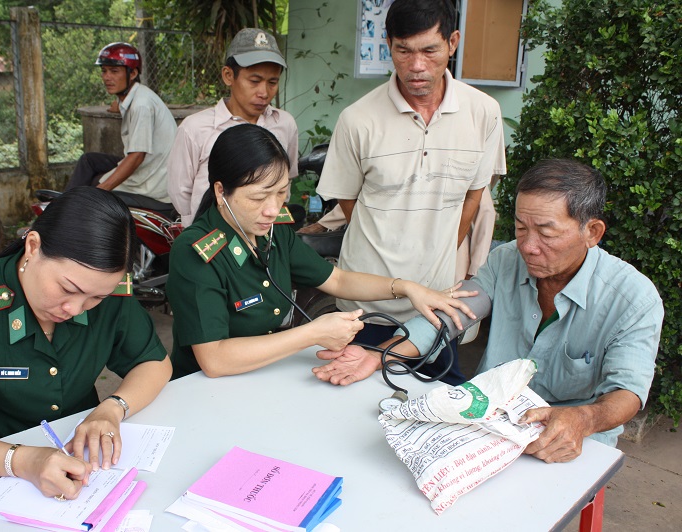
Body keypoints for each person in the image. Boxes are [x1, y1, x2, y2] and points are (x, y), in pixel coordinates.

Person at [313, 159, 664, 463]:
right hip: (488, 419)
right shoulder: (506, 259)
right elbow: (451, 315)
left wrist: (582, 419)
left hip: (567, 438)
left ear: (593, 232)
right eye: (521, 227)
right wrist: (379, 356)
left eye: (546, 233)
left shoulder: (634, 299)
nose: (528, 247)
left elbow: (627, 394)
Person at [0, 187, 172, 500]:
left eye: (95, 298)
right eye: (66, 288)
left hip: (86, 464)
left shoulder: (106, 290)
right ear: (33, 246)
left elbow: (155, 363)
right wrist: (23, 460)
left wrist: (112, 409)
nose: (75, 309)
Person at [166, 124, 475, 380]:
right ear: (221, 191)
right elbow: (215, 360)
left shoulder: (273, 231)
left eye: (281, 192)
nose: (273, 209)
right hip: (203, 391)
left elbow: (337, 281)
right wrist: (312, 333)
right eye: (259, 197)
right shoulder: (197, 252)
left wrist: (406, 288)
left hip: (262, 378)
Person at [314, 0, 506, 385]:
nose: (416, 66)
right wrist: (391, 243)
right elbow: (349, 202)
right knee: (350, 406)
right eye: (404, 50)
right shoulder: (358, 119)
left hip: (435, 307)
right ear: (388, 45)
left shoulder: (483, 113)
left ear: (452, 42)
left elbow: (473, 196)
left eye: (429, 50)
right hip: (364, 309)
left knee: (435, 404)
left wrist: (437, 249)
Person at [168, 28, 298, 227]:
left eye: (272, 82)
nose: (264, 92)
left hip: (263, 237)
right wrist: (197, 228)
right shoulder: (195, 129)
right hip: (211, 239)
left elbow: (285, 181)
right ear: (229, 76)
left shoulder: (284, 124)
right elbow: (181, 192)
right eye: (254, 81)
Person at [65, 43, 176, 211]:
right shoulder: (134, 95)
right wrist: (117, 106)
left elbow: (137, 156)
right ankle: (63, 209)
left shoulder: (141, 106)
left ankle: (63, 214)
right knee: (89, 161)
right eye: (104, 71)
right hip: (149, 167)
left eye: (114, 71)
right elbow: (121, 104)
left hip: (153, 180)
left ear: (133, 73)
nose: (107, 77)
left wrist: (101, 190)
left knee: (95, 185)